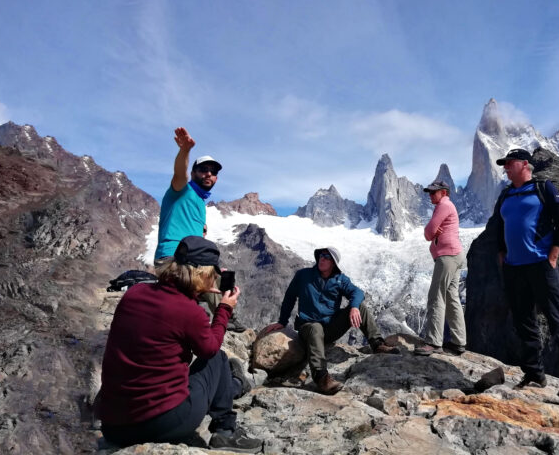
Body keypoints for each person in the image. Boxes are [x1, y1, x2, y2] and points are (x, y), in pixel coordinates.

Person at [97, 236, 262, 452]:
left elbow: (166, 318)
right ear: (201, 275)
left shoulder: (134, 294)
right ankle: (226, 431)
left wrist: (195, 292)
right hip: (162, 423)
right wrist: (224, 309)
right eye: (212, 274)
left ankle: (234, 386)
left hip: (113, 425)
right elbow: (209, 348)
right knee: (218, 358)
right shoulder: (190, 312)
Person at [491, 148, 559, 401]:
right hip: (514, 267)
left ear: (524, 165)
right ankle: (534, 373)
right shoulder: (506, 195)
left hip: (540, 264)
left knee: (557, 319)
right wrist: (502, 253)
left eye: (509, 164)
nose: (506, 168)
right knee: (524, 321)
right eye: (505, 165)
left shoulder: (544, 189)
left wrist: (553, 256)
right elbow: (500, 226)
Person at [262, 247, 400, 395]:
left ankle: (377, 344)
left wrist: (354, 307)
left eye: (327, 257)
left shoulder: (340, 280)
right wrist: (282, 321)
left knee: (360, 306)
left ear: (333, 263)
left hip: (330, 328)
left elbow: (357, 292)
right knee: (315, 328)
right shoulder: (303, 275)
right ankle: (321, 378)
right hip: (308, 327)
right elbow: (289, 298)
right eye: (321, 255)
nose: (322, 259)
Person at [153, 127, 245, 332]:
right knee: (210, 277)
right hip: (172, 261)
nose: (209, 174)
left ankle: (215, 312)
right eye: (203, 169)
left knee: (220, 276)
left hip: (191, 261)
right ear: (194, 172)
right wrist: (185, 150)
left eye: (213, 172)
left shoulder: (200, 204)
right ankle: (221, 318)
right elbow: (179, 174)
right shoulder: (181, 191)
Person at [414, 180, 467, 356]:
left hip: (447, 257)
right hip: (454, 255)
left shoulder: (444, 205)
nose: (430, 195)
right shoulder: (445, 205)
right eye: (429, 192)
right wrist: (432, 233)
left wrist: (431, 232)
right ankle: (459, 343)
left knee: (436, 296)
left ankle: (434, 342)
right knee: (452, 297)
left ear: (444, 192)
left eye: (433, 192)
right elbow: (431, 233)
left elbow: (429, 232)